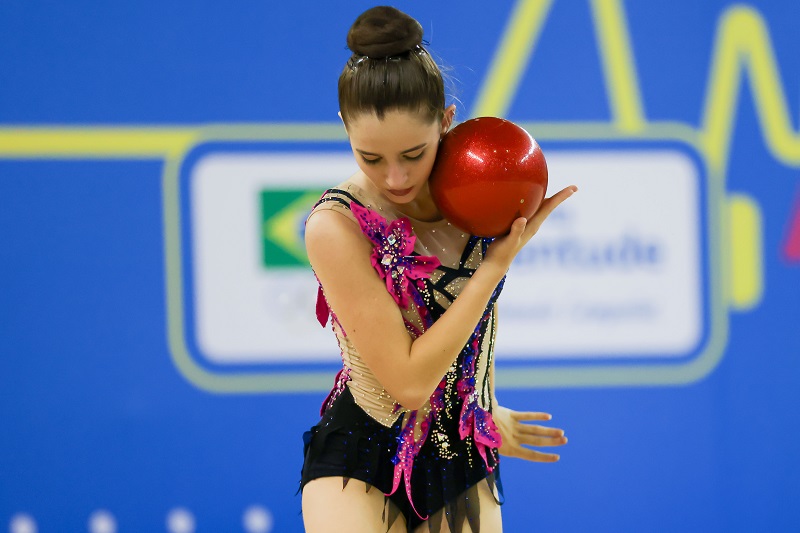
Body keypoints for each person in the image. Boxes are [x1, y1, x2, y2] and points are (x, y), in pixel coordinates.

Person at [299, 6, 575, 533]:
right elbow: (406, 383)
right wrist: (494, 266)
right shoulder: (337, 226)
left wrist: (482, 406)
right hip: (362, 455)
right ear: (344, 128)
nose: (396, 177)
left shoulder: (483, 192)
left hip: (461, 454)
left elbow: (473, 325)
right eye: (371, 158)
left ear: (446, 122)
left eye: (414, 153)